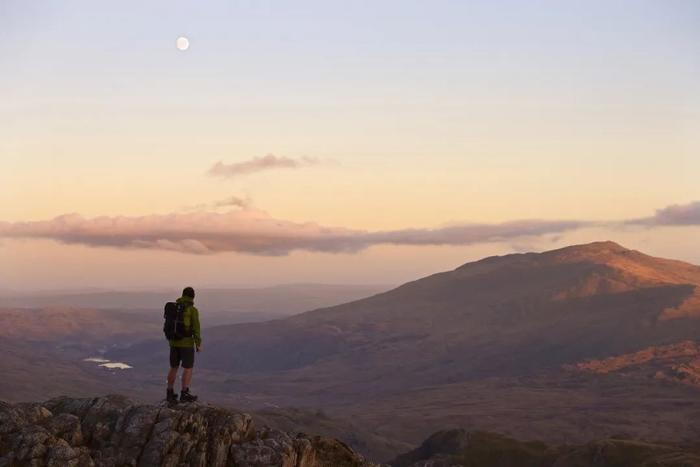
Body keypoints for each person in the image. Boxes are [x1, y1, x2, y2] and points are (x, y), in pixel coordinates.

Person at [166, 286, 202, 403]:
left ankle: (170, 392)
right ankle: (184, 393)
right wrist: (198, 343)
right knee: (187, 368)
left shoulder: (175, 308)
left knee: (173, 367)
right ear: (193, 297)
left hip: (173, 342)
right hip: (186, 343)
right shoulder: (192, 310)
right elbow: (196, 327)